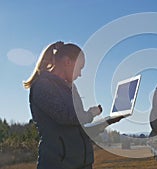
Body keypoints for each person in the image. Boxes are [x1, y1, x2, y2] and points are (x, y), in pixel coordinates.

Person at [23, 41, 122, 169]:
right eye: (80, 67)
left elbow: (80, 127)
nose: (80, 74)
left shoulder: (70, 88)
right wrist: (91, 114)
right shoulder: (43, 86)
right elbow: (67, 117)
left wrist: (108, 121)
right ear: (67, 62)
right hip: (58, 165)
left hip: (82, 164)